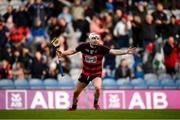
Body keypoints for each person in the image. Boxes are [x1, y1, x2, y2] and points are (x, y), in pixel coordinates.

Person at [56, 33, 136, 110]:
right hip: (85, 73)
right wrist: (63, 53)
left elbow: (113, 51)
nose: (96, 40)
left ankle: (95, 103)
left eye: (97, 38)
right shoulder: (83, 46)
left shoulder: (101, 48)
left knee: (98, 87)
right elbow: (72, 51)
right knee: (76, 92)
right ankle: (74, 107)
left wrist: (125, 52)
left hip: (96, 73)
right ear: (90, 40)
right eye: (94, 38)